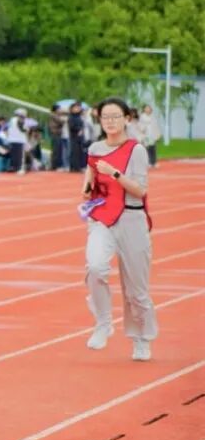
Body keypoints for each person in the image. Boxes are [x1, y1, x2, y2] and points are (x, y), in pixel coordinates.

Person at [82, 97, 156, 361]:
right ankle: (103, 323)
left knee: (136, 289)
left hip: (131, 219)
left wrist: (114, 173)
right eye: (105, 117)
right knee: (95, 267)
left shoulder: (136, 150)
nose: (110, 121)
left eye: (115, 116)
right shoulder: (95, 148)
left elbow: (140, 190)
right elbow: (91, 173)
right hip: (102, 217)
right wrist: (87, 188)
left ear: (127, 119)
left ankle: (141, 339)